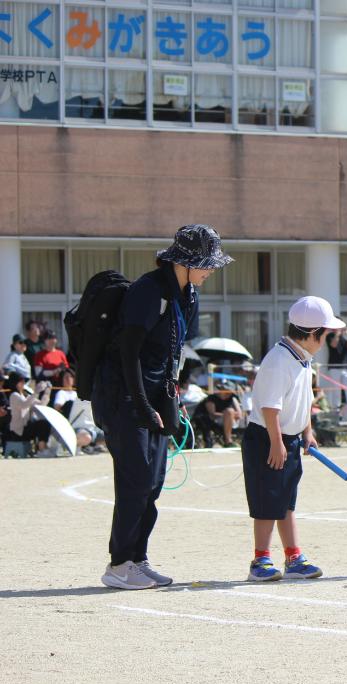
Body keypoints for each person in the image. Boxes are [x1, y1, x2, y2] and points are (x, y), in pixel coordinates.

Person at [93, 224, 229, 590]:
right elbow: (129, 353)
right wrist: (140, 404)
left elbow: (171, 353)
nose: (210, 270)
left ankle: (138, 558)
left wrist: (173, 399)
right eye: (205, 263)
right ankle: (119, 564)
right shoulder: (148, 291)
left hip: (157, 396)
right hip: (124, 398)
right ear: (183, 262)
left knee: (153, 484)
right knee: (135, 481)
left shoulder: (187, 295)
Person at [242, 296, 344, 582]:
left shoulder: (303, 359)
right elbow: (270, 407)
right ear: (313, 334)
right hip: (267, 438)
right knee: (267, 501)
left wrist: (307, 432)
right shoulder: (278, 359)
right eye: (326, 334)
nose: (326, 340)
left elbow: (304, 400)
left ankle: (293, 557)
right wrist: (276, 442)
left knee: (286, 500)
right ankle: (260, 560)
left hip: (288, 440)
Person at [3, 373, 52, 453]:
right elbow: (24, 404)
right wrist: (36, 392)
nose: (23, 383)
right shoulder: (14, 395)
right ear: (15, 383)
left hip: (25, 427)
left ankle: (42, 447)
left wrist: (47, 392)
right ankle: (41, 449)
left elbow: (42, 404)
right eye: (20, 382)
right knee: (42, 424)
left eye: (23, 382)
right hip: (18, 431)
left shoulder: (24, 395)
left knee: (44, 423)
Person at [193, 381, 243, 447]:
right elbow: (212, 414)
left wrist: (229, 415)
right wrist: (227, 415)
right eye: (226, 391)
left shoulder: (232, 398)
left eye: (229, 392)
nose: (228, 394)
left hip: (230, 421)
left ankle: (228, 439)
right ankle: (228, 440)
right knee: (229, 411)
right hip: (212, 420)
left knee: (229, 412)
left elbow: (239, 414)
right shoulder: (212, 398)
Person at [324, 328, 347, 420]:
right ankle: (336, 417)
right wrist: (337, 334)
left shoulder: (345, 336)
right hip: (334, 368)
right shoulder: (330, 335)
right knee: (336, 392)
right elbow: (333, 345)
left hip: (345, 368)